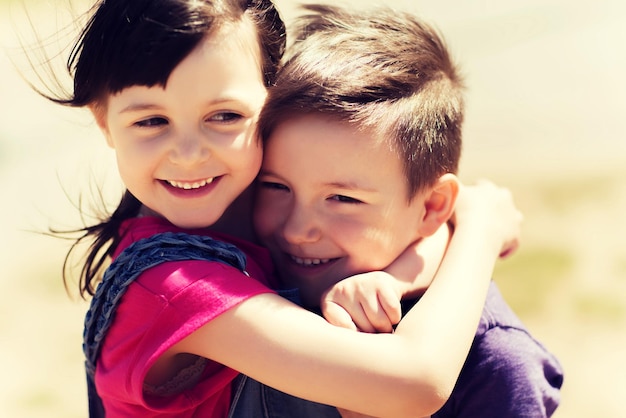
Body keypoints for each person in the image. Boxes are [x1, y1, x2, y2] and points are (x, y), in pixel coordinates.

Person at [30, 0, 522, 417]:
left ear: (273, 101)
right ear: (103, 122)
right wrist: (479, 228)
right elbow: (417, 382)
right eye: (151, 121)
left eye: (224, 116)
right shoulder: (172, 288)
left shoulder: (258, 207)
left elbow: (416, 217)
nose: (189, 153)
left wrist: (395, 276)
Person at [229, 4, 563, 418]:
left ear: (434, 207)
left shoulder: (494, 359)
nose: (297, 230)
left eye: (343, 199)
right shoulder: (248, 272)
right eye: (275, 186)